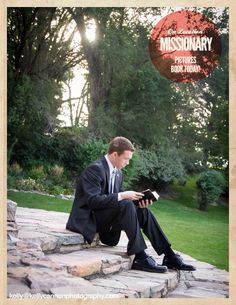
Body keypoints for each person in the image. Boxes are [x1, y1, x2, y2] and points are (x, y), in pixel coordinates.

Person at [66, 136, 196, 273]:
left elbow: (115, 202)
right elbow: (93, 201)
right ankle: (140, 256)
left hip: (105, 219)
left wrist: (138, 203)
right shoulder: (95, 169)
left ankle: (169, 255)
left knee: (142, 211)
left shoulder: (118, 173)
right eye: (126, 159)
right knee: (126, 204)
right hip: (89, 219)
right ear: (115, 154)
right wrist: (123, 195)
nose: (128, 163)